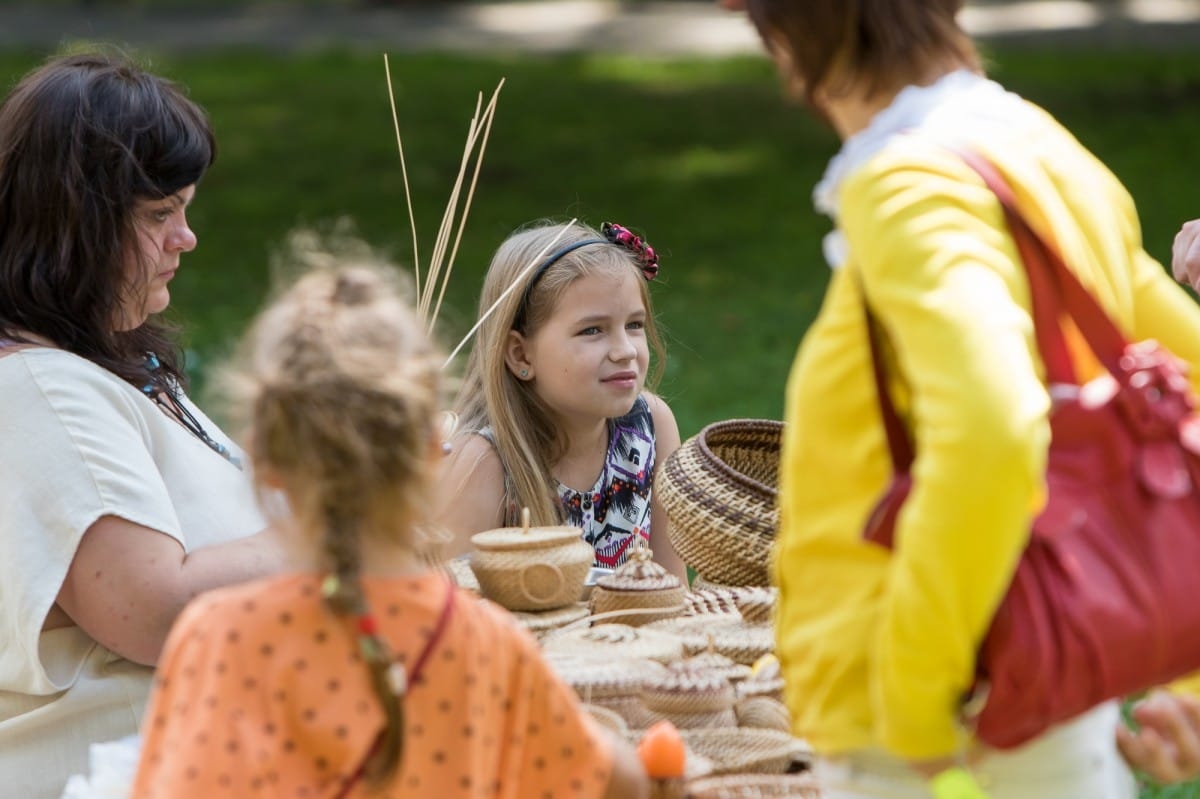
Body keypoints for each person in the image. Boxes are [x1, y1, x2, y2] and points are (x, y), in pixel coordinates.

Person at [718, 0, 1200, 796]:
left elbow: (992, 430)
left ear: (788, 37)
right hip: (1047, 695)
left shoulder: (911, 179)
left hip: (946, 740)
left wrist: (913, 697)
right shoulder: (1041, 149)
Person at [130, 239, 651, 799]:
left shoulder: (217, 638)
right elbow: (613, 780)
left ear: (265, 458)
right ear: (433, 447)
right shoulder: (489, 643)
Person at [0, 51, 286, 798]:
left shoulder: (105, 363)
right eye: (160, 214)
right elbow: (156, 610)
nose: (185, 238)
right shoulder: (38, 387)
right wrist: (343, 521)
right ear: (75, 224)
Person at [435, 219, 688, 584]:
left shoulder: (650, 427)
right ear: (521, 355)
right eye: (592, 330)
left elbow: (673, 594)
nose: (625, 351)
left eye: (634, 325)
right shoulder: (482, 465)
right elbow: (454, 622)